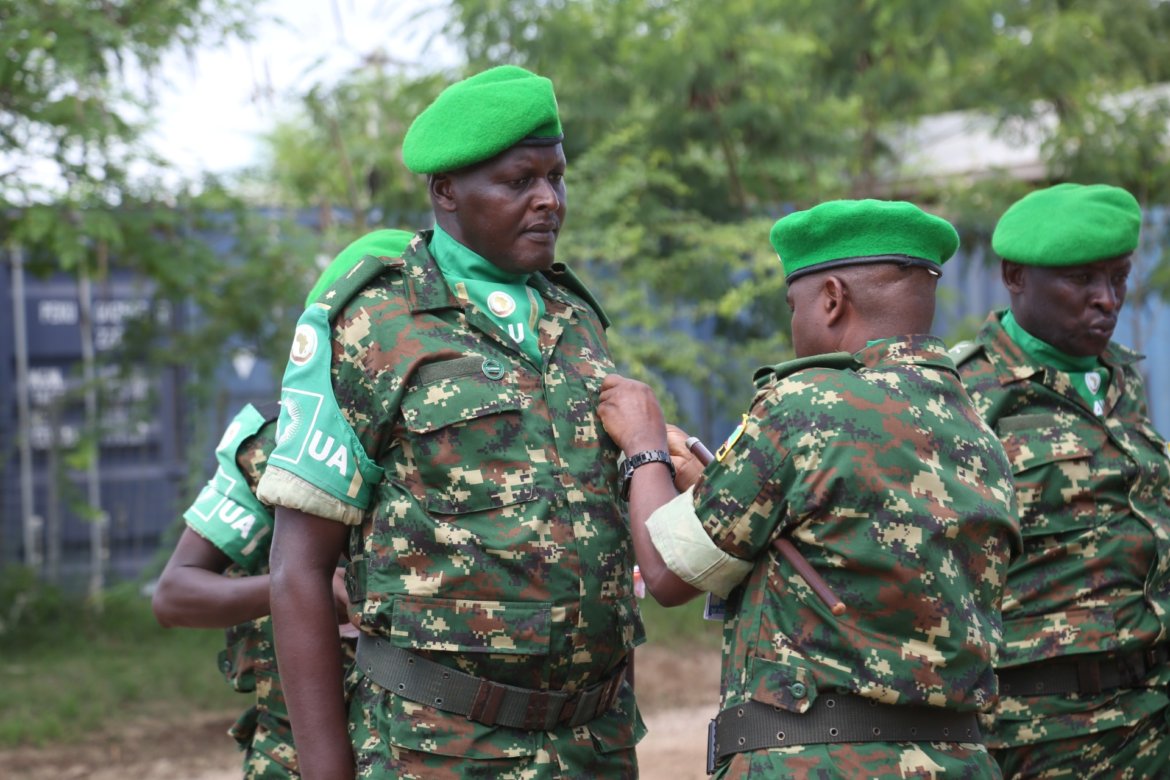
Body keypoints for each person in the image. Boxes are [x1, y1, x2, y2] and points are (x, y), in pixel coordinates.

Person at [257, 65, 644, 780]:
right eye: (519, 181)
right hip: (439, 747)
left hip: (594, 743)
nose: (548, 200)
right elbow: (298, 569)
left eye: (556, 177)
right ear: (446, 192)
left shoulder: (575, 318)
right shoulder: (373, 322)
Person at [598, 199, 1022, 778]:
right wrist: (708, 489)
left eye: (792, 306)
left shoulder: (808, 404)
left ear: (831, 298)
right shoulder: (979, 430)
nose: (793, 324)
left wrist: (643, 446)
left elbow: (670, 574)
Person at [151, 228, 414, 779]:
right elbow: (175, 595)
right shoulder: (275, 445)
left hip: (419, 745)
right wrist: (312, 590)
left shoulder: (452, 445)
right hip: (292, 748)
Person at [952, 183, 1170, 778]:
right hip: (1041, 732)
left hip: (1150, 718)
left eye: (1119, 278)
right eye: (1081, 280)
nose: (1107, 300)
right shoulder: (962, 395)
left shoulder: (1120, 380)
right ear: (1015, 277)